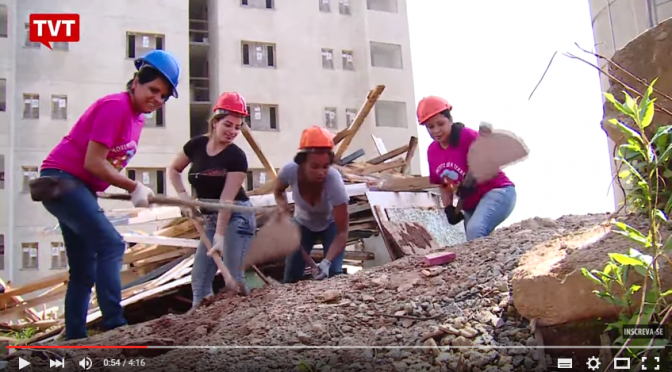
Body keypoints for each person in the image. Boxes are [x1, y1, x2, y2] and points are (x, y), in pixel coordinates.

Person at [37, 49, 181, 340]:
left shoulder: (137, 119)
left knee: (84, 268)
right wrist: (133, 187)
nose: (157, 99)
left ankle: (75, 336)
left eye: (164, 96)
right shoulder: (116, 107)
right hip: (62, 181)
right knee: (112, 245)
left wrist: (127, 186)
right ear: (137, 81)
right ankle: (114, 325)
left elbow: (105, 166)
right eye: (154, 90)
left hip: (81, 188)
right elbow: (93, 162)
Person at [168, 92, 257, 307]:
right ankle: (200, 327)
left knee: (234, 278)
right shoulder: (196, 145)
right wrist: (183, 197)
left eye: (237, 127)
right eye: (228, 124)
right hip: (209, 218)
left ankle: (243, 324)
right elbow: (173, 169)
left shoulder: (236, 157)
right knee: (199, 279)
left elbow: (226, 201)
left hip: (237, 216)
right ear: (215, 122)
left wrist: (219, 235)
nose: (233, 131)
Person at [417, 96, 516, 241]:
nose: (436, 130)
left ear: (450, 120)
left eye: (440, 124)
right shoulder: (432, 152)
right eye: (430, 127)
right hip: (471, 203)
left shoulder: (467, 136)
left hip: (498, 192)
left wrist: (475, 179)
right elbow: (444, 184)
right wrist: (449, 208)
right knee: (473, 242)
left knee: (475, 230)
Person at [273, 126, 350, 283]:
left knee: (335, 274)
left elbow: (342, 233)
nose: (321, 172)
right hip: (302, 223)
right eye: (314, 166)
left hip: (330, 224)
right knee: (292, 276)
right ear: (302, 163)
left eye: (325, 166)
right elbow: (278, 191)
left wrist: (326, 262)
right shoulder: (289, 171)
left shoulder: (334, 181)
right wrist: (284, 211)